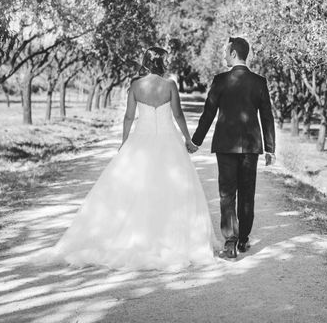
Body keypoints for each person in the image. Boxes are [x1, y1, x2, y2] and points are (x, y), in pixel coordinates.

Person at [50, 46, 217, 269]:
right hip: (169, 142)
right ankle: (173, 240)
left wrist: (124, 142)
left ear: (146, 61)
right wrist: (188, 139)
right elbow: (177, 114)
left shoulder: (136, 86)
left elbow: (129, 117)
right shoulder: (169, 85)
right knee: (171, 190)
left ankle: (135, 236)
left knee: (137, 188)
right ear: (162, 62)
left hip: (141, 140)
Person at [191, 36, 275, 258]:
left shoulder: (220, 80)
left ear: (234, 54)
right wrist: (270, 148)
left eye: (226, 52)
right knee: (247, 193)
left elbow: (208, 114)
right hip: (251, 147)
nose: (224, 56)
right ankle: (244, 239)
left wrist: (195, 141)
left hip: (226, 146)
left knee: (227, 194)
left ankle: (230, 242)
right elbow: (267, 116)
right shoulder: (259, 82)